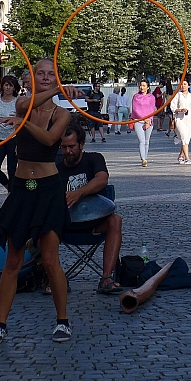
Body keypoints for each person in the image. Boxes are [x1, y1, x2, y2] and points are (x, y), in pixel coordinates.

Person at [0, 59, 83, 347]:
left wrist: (24, 123)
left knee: (50, 260)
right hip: (21, 188)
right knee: (13, 261)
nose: (46, 77)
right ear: (32, 78)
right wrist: (54, 92)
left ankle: (62, 321)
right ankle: (0, 325)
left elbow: (50, 139)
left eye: (52, 75)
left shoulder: (62, 114)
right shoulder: (22, 104)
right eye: (41, 73)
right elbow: (26, 108)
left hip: (48, 189)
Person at [56, 123, 127, 295]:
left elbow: (102, 179)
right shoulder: (57, 167)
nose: (68, 151)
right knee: (43, 224)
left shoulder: (94, 159)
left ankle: (106, 277)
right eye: (64, 147)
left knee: (115, 220)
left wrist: (78, 193)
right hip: (66, 226)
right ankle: (55, 278)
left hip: (95, 224)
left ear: (81, 144)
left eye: (72, 146)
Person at [0, 75, 20, 189]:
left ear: (14, 87)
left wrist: (19, 143)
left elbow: (21, 122)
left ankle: (11, 193)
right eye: (6, 85)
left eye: (10, 85)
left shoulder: (18, 101)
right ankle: (8, 186)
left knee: (12, 169)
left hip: (13, 138)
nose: (8, 88)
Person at [171, 80, 191, 165]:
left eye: (185, 84)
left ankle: (181, 155)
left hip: (189, 120)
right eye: (181, 84)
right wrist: (180, 110)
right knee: (184, 137)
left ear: (188, 86)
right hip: (180, 120)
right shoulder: (177, 95)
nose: (183, 86)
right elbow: (172, 107)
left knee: (186, 139)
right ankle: (187, 158)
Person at [131, 79, 155, 167]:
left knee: (147, 141)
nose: (142, 87)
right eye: (141, 85)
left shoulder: (151, 97)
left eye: (144, 85)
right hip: (138, 120)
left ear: (148, 87)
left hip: (149, 121)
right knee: (142, 141)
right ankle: (143, 158)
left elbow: (152, 109)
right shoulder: (136, 97)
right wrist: (144, 119)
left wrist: (149, 120)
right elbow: (135, 109)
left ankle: (145, 157)